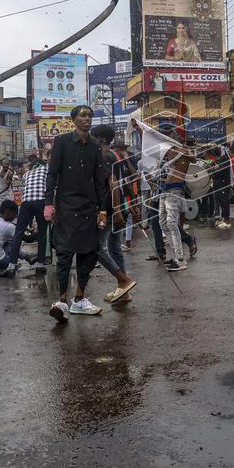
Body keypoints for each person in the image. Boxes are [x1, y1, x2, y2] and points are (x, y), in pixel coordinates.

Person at [44, 105, 108, 322]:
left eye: (90, 115)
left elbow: (100, 181)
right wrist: (48, 204)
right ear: (73, 120)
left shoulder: (95, 146)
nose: (87, 119)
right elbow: (52, 174)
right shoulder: (61, 142)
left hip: (88, 208)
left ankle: (79, 299)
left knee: (88, 254)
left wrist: (103, 210)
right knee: (64, 253)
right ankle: (61, 301)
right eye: (83, 115)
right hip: (65, 207)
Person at [91, 124, 137, 303]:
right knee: (114, 247)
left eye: (93, 137)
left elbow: (114, 184)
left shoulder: (103, 156)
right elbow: (125, 182)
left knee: (97, 248)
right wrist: (130, 203)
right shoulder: (116, 155)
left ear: (100, 139)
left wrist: (116, 210)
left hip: (109, 208)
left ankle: (123, 281)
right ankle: (124, 291)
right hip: (118, 207)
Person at [155, 124, 198, 272]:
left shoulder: (180, 151)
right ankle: (176, 256)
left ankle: (180, 259)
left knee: (171, 224)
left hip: (175, 190)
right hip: (165, 190)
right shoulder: (170, 151)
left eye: (170, 136)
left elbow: (193, 158)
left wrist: (184, 149)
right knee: (162, 223)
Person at [8, 155, 50, 272]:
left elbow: (22, 190)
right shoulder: (47, 170)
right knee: (42, 233)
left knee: (19, 233)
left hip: (26, 203)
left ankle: (11, 265)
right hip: (41, 201)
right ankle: (40, 264)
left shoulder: (27, 174)